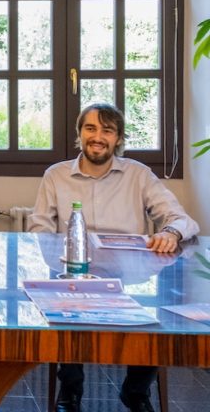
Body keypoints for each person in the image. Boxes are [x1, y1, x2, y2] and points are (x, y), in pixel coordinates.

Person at [28, 103, 199, 412]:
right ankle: (70, 390)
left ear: (118, 138)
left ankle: (135, 391)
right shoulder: (55, 175)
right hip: (74, 274)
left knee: (157, 313)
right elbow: (39, 229)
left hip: (129, 276)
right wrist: (58, 262)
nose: (98, 137)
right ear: (80, 133)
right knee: (63, 309)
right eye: (90, 128)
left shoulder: (139, 174)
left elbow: (180, 219)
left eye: (107, 130)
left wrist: (171, 233)